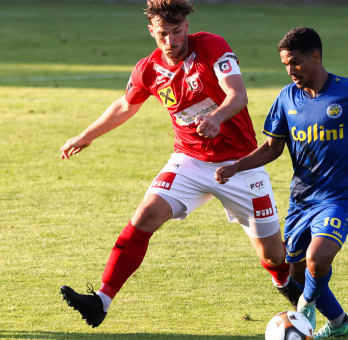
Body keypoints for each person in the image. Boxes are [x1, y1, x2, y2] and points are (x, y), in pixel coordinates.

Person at [58, 0, 301, 328]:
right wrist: (86, 136)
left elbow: (238, 94)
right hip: (189, 161)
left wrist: (216, 116)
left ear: (186, 26)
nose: (170, 41)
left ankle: (287, 284)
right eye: (162, 34)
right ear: (151, 32)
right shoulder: (148, 68)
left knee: (273, 255)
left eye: (176, 32)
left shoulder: (211, 46)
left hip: (241, 165)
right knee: (145, 216)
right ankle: (101, 300)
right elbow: (125, 105)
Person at [215, 27, 348, 338]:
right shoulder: (286, 98)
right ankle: (339, 322)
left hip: (341, 197)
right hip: (302, 199)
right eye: (285, 64)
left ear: (316, 57)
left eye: (295, 62)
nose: (290, 70)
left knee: (317, 259)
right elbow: (273, 147)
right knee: (295, 271)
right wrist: (236, 167)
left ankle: (305, 304)